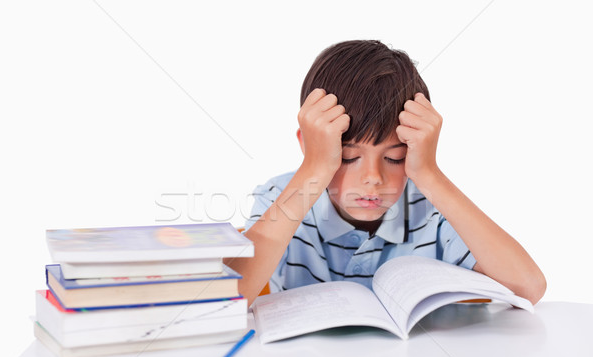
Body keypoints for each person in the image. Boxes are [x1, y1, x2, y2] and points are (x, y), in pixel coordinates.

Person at [226, 40, 546, 306]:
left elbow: (527, 288)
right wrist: (314, 168)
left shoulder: (432, 207)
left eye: (394, 158)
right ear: (311, 148)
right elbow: (229, 298)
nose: (373, 177)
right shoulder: (281, 197)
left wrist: (430, 174)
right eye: (348, 156)